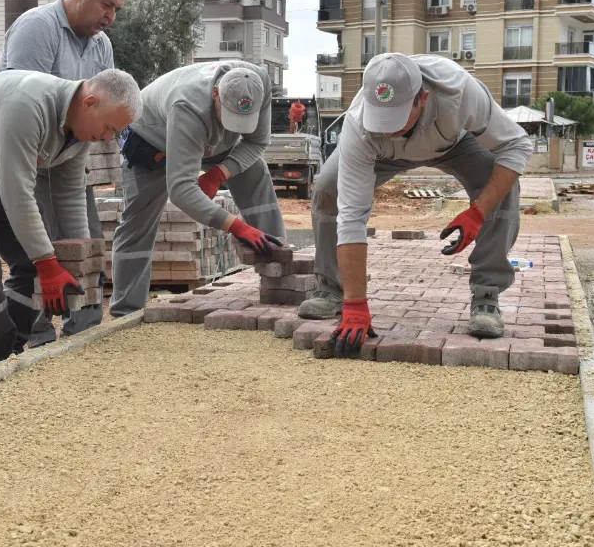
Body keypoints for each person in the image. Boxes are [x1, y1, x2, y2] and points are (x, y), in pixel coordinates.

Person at [296, 53, 533, 356]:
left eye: (396, 117)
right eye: (381, 118)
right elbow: (352, 214)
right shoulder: (360, 123)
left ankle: (487, 295)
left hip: (455, 144)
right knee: (329, 189)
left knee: (502, 184)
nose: (388, 128)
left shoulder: (459, 91)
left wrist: (478, 211)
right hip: (383, 153)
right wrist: (356, 304)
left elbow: (516, 145)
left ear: (422, 98)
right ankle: (331, 287)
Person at [0, 69, 142, 368]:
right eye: (108, 128)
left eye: (115, 133)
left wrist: (77, 260)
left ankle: (11, 350)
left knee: (32, 265)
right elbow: (17, 193)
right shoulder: (26, 103)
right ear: (90, 103)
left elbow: (69, 194)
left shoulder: (80, 134)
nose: (108, 138)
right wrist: (48, 264)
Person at [0, 0, 126, 348]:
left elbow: (103, 104)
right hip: (31, 158)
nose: (111, 16)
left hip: (69, 159)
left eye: (117, 9)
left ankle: (81, 334)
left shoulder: (101, 46)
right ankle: (36, 338)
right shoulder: (38, 28)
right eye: (106, 5)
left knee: (84, 243)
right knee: (38, 247)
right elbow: (21, 99)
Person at [109, 62, 286, 317]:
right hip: (152, 144)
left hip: (213, 140)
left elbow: (256, 142)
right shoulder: (188, 105)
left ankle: (280, 272)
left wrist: (219, 173)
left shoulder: (259, 82)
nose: (236, 126)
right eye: (231, 116)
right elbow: (181, 190)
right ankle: (125, 311)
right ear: (215, 94)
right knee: (138, 223)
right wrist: (237, 227)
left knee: (254, 170)